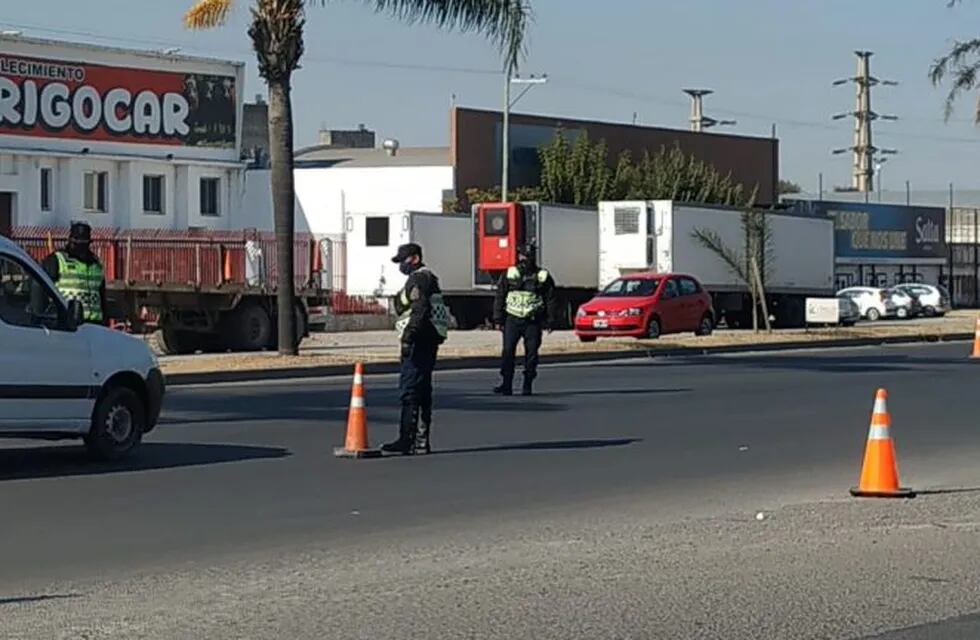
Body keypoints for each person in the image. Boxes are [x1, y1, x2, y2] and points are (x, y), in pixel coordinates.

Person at [382, 243, 449, 455]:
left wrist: (408, 337)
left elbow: (419, 311)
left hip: (419, 341)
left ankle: (407, 439)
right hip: (427, 340)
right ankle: (420, 440)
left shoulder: (419, 279)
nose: (401, 265)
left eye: (403, 260)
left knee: (410, 389)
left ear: (415, 258)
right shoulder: (429, 278)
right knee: (422, 389)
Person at [493, 243, 557, 396]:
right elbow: (500, 296)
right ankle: (506, 384)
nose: (525, 259)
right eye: (523, 256)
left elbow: (551, 299)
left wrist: (550, 320)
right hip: (512, 319)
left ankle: (527, 385)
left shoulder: (542, 276)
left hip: (533, 321)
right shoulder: (509, 274)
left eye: (528, 256)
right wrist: (497, 318)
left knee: (532, 354)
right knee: (508, 352)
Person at [42, 221, 108, 325]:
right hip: (68, 324)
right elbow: (42, 290)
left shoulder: (96, 264)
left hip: (96, 325)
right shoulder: (57, 260)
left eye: (83, 243)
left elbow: (102, 297)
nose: (78, 246)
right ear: (70, 240)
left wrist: (105, 321)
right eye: (76, 242)